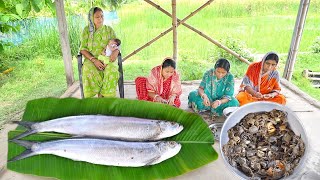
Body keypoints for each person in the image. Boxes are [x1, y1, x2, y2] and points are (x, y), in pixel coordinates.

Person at [80, 7, 120, 98]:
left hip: (107, 58)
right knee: (87, 69)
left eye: (102, 16)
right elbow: (83, 49)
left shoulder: (109, 30)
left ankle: (104, 96)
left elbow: (117, 44)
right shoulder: (86, 31)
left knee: (112, 70)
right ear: (91, 18)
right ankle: (92, 98)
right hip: (91, 59)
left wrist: (115, 52)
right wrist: (94, 60)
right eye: (97, 17)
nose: (100, 19)